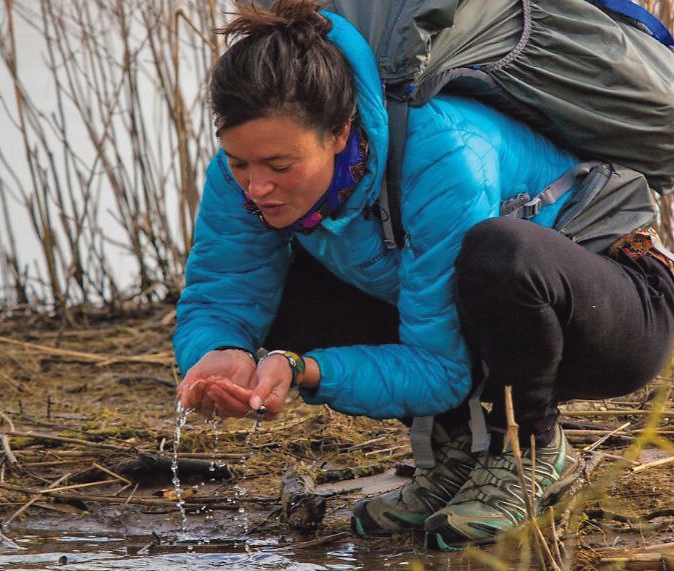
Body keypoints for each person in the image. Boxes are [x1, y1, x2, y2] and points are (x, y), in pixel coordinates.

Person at [173, 0, 674, 549]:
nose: (255, 187)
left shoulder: (438, 151)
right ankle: (458, 456)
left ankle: (531, 450)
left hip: (616, 303)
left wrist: (303, 370)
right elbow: (222, 293)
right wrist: (221, 351)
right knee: (291, 294)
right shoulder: (243, 173)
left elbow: (441, 366)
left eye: (278, 167)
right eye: (239, 163)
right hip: (487, 317)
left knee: (497, 252)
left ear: (341, 133)